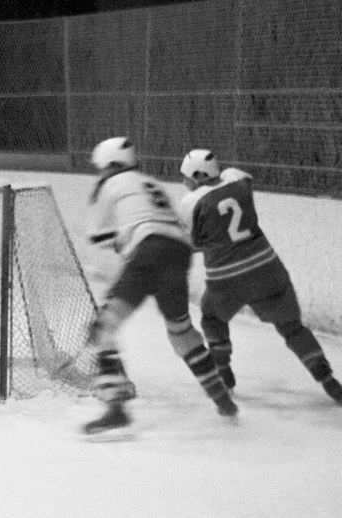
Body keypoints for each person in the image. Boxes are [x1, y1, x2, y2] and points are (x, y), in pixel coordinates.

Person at [80, 137, 237, 436]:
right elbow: (174, 225)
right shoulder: (150, 181)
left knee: (102, 329)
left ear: (106, 164)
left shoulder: (109, 184)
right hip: (178, 253)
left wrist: (122, 237)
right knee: (181, 332)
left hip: (147, 251)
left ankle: (115, 409)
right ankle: (223, 401)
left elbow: (97, 235)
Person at [178, 149, 342, 403]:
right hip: (267, 268)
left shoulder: (191, 202)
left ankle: (224, 374)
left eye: (186, 177)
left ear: (197, 176)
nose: (185, 183)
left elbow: (195, 243)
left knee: (212, 319)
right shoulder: (236, 179)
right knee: (292, 328)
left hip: (225, 277)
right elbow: (241, 181)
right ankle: (328, 380)